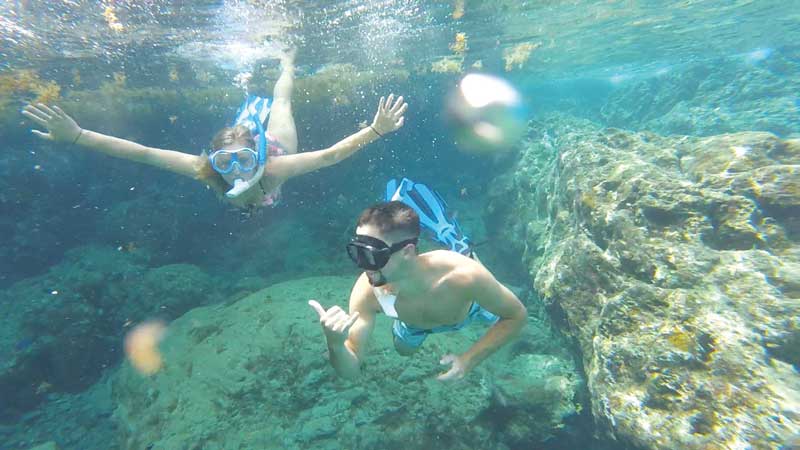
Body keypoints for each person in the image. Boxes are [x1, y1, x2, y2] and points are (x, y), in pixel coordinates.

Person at [21, 51, 408, 211]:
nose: (236, 170)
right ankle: (246, 117)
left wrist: (375, 130)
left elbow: (329, 156)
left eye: (242, 160)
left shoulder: (274, 167)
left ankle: (286, 63)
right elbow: (142, 152)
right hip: (255, 150)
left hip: (276, 146)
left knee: (282, 104)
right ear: (213, 160)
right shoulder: (205, 169)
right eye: (226, 161)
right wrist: (76, 136)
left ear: (254, 157)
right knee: (244, 121)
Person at [309, 199, 527, 381]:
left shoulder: (464, 276)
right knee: (404, 351)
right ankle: (404, 324)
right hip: (412, 325)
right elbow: (351, 371)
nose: (364, 265)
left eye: (373, 255)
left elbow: (516, 316)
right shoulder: (367, 292)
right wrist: (336, 344)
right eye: (357, 253)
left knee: (504, 322)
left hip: (471, 309)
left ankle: (459, 243)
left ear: (407, 251)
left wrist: (468, 360)